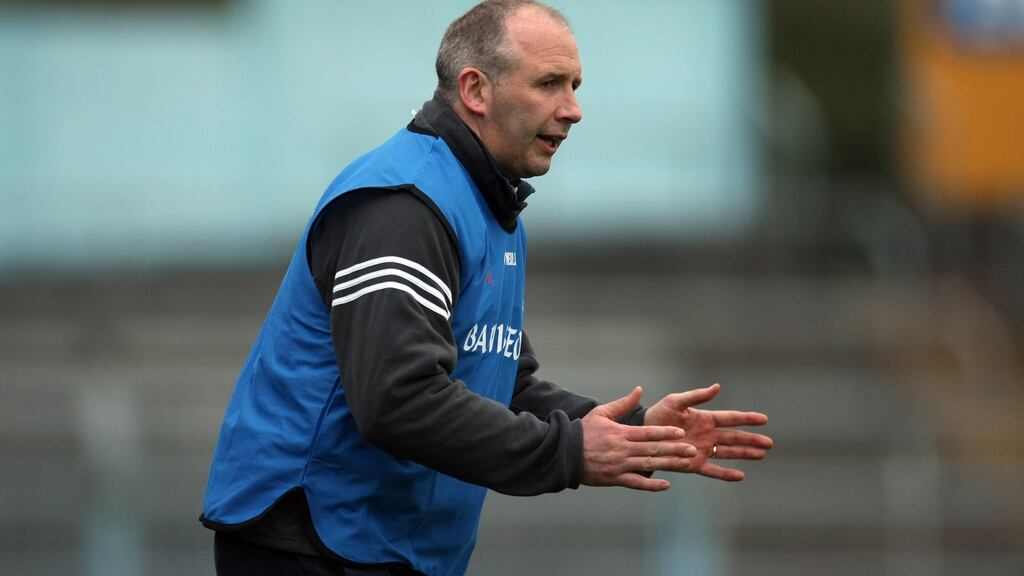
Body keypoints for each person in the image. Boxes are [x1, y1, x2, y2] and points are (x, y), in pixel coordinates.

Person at [200, 2, 773, 575]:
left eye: (574, 86)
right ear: (475, 89)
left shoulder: (489, 204)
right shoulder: (406, 204)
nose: (573, 109)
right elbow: (397, 401)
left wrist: (635, 433)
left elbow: (499, 382)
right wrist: (570, 452)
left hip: (381, 544)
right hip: (312, 540)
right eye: (549, 83)